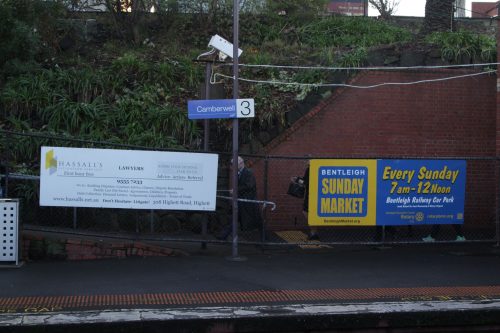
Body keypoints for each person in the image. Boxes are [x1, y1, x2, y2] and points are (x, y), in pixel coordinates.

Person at [217, 156, 262, 240]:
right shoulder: (240, 173)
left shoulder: (248, 173)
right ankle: (223, 235)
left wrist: (235, 190)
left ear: (241, 164)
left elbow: (249, 186)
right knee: (235, 219)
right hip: (242, 202)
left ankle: (263, 239)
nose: (233, 166)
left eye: (235, 164)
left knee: (257, 222)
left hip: (247, 202)